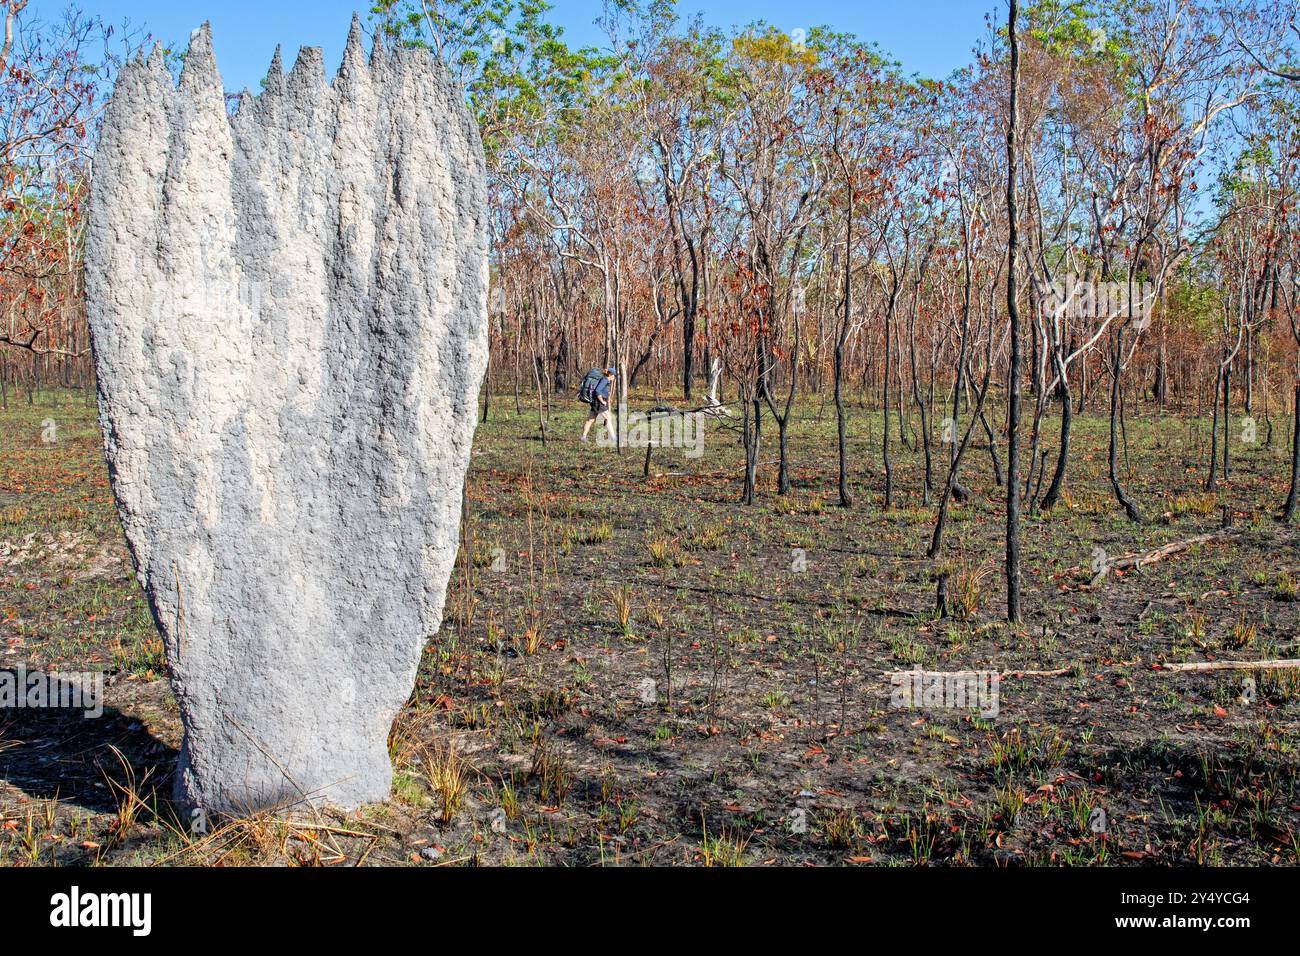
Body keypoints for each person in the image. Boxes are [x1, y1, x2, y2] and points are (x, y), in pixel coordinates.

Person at [581, 367, 616, 444]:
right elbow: (597, 391)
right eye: (614, 375)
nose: (614, 377)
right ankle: (613, 438)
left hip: (595, 402)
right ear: (610, 374)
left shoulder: (606, 380)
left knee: (590, 420)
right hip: (598, 402)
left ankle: (583, 437)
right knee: (608, 418)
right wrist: (602, 401)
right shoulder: (605, 380)